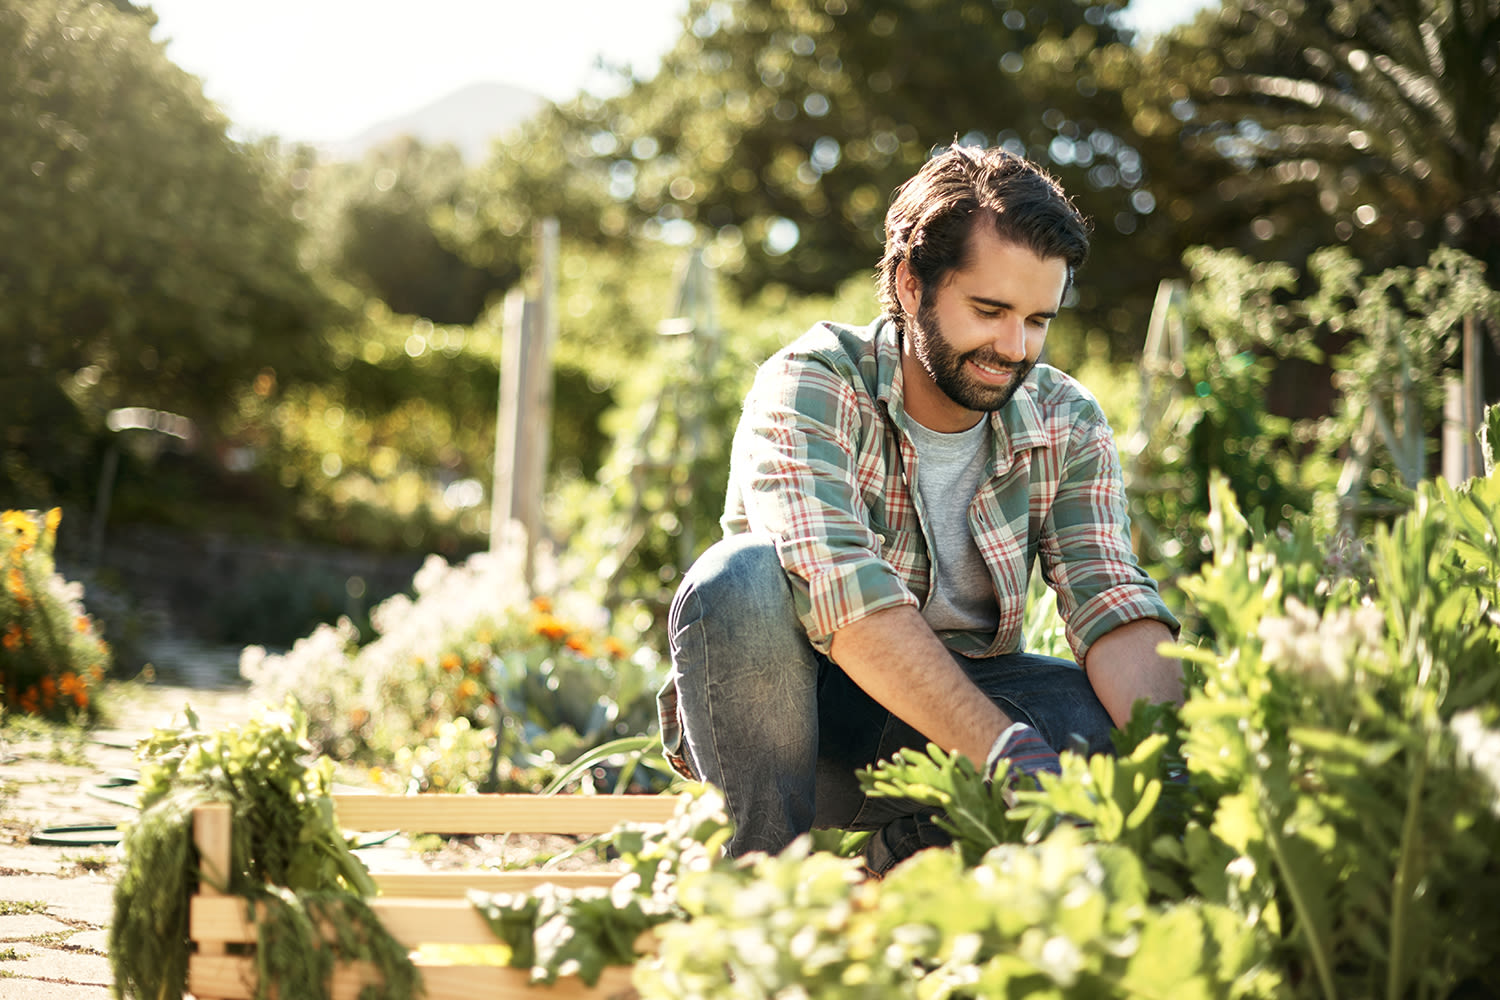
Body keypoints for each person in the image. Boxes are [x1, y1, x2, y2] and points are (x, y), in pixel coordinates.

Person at [657, 144, 1183, 872]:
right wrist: (1005, 751)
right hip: (803, 733)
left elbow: (1110, 595)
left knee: (1105, 719)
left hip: (950, 727)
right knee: (738, 580)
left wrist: (1183, 765)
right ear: (910, 284)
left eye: (1038, 319)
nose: (1014, 346)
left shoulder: (1066, 417)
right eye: (989, 310)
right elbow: (847, 597)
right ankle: (760, 880)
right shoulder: (811, 383)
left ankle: (913, 848)